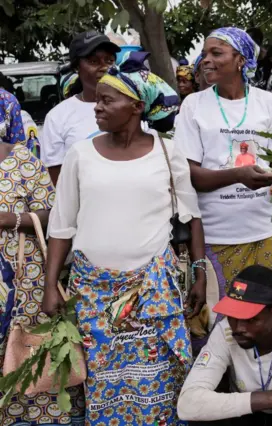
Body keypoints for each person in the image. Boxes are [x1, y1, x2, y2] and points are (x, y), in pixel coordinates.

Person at [43, 51, 206, 425]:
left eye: (106, 100)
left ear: (135, 107)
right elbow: (62, 225)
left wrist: (199, 272)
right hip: (94, 292)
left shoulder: (167, 152)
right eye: (97, 99)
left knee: (159, 381)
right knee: (102, 382)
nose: (97, 108)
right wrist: (51, 285)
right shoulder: (80, 155)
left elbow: (191, 215)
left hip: (153, 289)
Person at [174, 27, 272, 301]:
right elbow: (187, 175)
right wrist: (238, 175)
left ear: (240, 60)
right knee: (221, 319)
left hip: (263, 229)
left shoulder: (268, 103)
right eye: (204, 54)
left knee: (262, 313)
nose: (206, 60)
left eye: (216, 53)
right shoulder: (193, 105)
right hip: (215, 234)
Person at [0, 84, 86, 425]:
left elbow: (56, 214)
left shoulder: (22, 159)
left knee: (31, 353)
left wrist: (13, 219)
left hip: (25, 282)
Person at [178, 265, 272, 426]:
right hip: (245, 414)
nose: (238, 328)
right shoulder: (224, 331)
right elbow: (187, 404)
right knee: (203, 416)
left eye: (251, 320)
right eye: (233, 316)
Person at [40, 31, 120, 185]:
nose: (104, 67)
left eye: (109, 60)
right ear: (77, 67)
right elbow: (59, 180)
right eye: (94, 62)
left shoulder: (131, 108)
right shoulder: (58, 117)